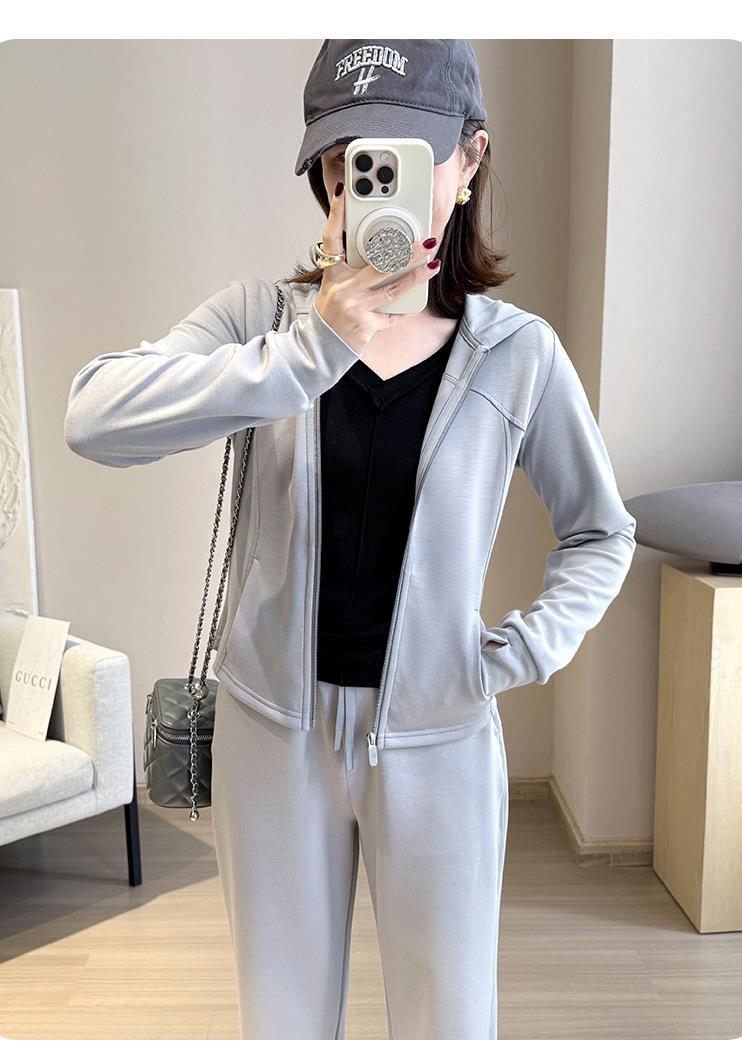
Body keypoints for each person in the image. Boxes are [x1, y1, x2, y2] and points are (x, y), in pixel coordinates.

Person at [64, 39, 636, 1041]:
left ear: (468, 161)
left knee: (448, 1022)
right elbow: (94, 416)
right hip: (271, 738)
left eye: (402, 157)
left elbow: (602, 531)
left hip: (440, 739)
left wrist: (516, 652)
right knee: (282, 1023)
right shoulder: (262, 323)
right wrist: (310, 349)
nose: (364, 185)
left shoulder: (518, 356)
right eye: (344, 162)